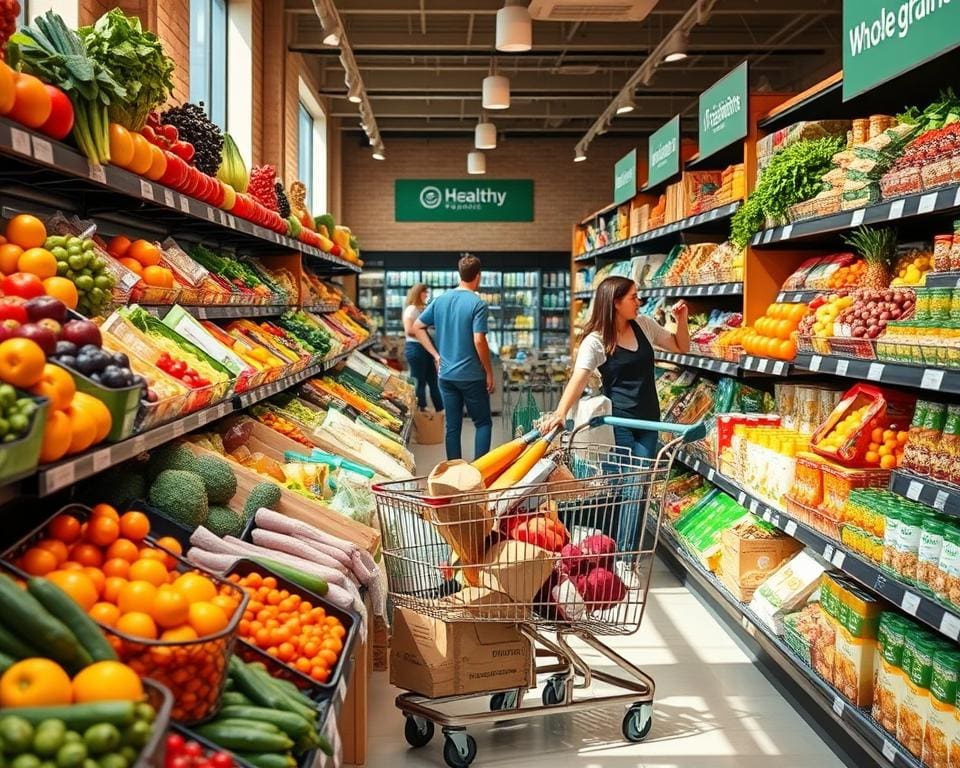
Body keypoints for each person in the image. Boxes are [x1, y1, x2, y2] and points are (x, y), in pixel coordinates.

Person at [542, 275, 689, 458]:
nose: (639, 301)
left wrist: (681, 320)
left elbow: (681, 346)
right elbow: (579, 379)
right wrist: (560, 413)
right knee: (628, 477)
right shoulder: (596, 341)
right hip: (618, 421)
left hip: (650, 420)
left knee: (640, 478)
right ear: (616, 302)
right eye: (633, 297)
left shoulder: (644, 324)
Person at [413, 255, 494, 460]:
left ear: (460, 274)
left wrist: (435, 355)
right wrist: (489, 372)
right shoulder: (478, 304)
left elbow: (417, 327)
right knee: (483, 422)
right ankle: (480, 472)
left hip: (446, 375)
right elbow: (479, 340)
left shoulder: (440, 300)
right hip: (472, 375)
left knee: (453, 426)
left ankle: (454, 473)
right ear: (478, 276)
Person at [402, 283, 443, 414]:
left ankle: (440, 409)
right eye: (424, 292)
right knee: (418, 381)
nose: (427, 295)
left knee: (432, 379)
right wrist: (425, 332)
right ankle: (420, 410)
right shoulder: (411, 309)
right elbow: (409, 330)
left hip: (424, 348)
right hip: (415, 348)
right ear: (418, 293)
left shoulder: (420, 309)